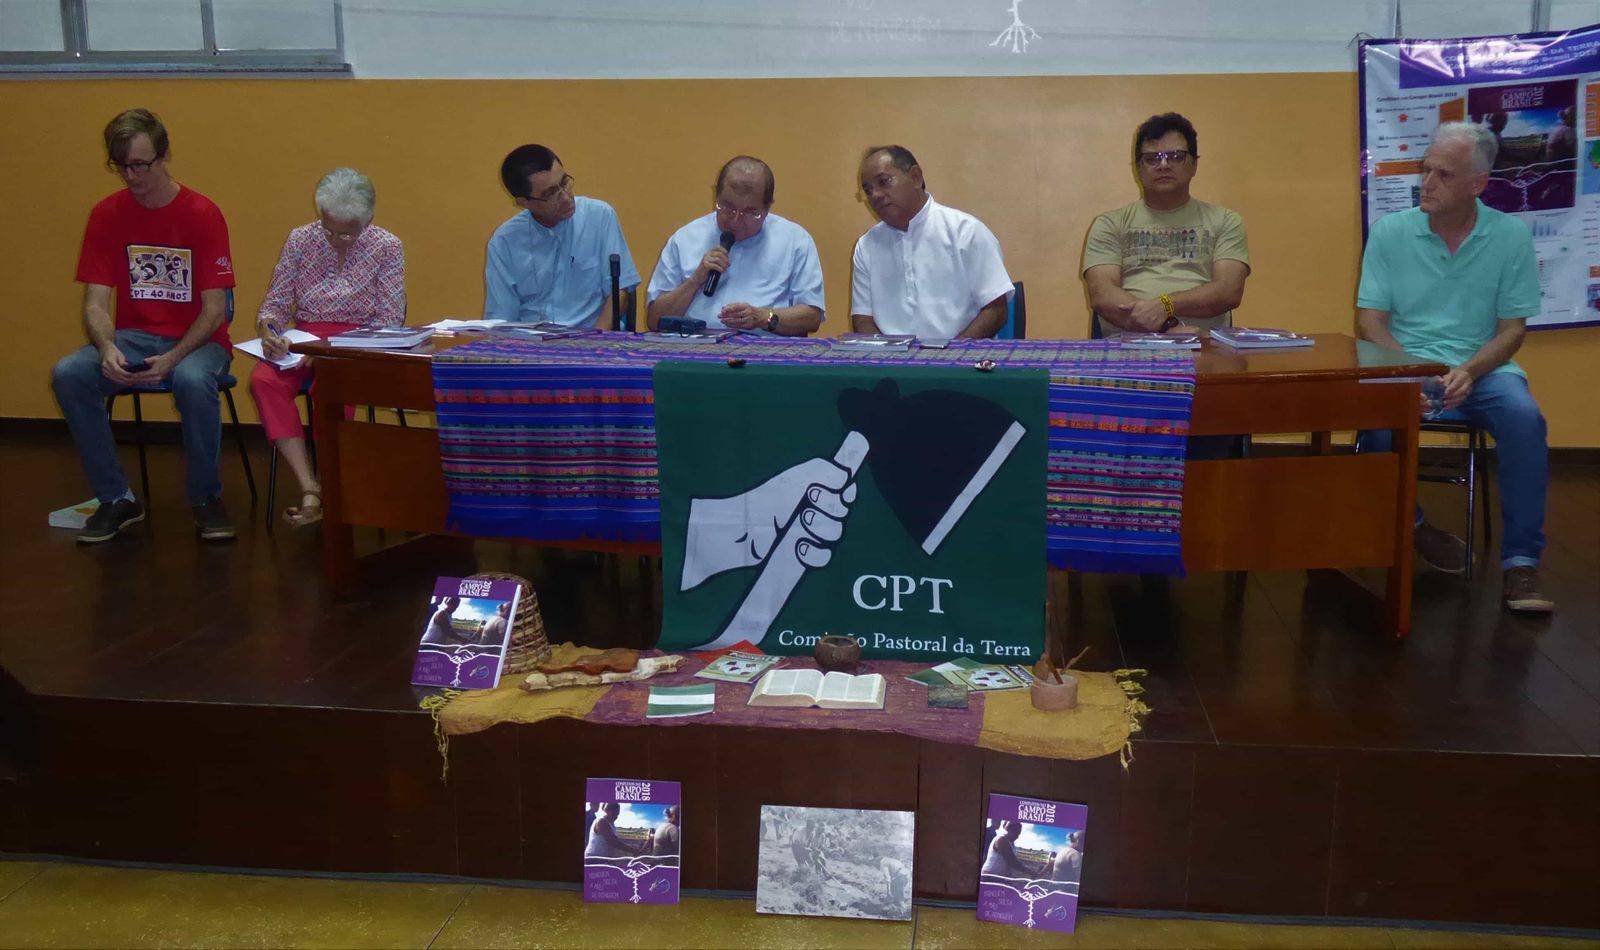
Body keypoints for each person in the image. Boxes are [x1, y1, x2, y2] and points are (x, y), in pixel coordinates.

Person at [1355, 121, 1553, 612]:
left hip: (1483, 370)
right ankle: (1416, 527)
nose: (1427, 182)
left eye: (1443, 174)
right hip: (1405, 365)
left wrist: (1469, 371)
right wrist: (1413, 371)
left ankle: (1522, 564)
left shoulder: (1509, 238)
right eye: (1426, 170)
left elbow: (1512, 330)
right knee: (1376, 427)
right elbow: (1369, 322)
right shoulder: (1390, 232)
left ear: (1477, 184)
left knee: (1525, 421)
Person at [51, 108, 238, 544]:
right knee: (69, 373)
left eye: (140, 164)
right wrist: (105, 347)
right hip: (134, 338)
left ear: (165, 154)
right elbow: (96, 304)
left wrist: (173, 357)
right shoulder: (106, 214)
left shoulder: (202, 213)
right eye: (121, 166)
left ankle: (206, 499)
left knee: (192, 380)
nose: (131, 176)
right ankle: (116, 499)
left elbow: (214, 311)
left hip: (199, 340)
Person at [249, 168, 405, 527]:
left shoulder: (387, 247)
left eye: (347, 232)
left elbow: (389, 321)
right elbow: (274, 305)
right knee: (263, 381)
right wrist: (271, 332)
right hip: (300, 338)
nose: (336, 238)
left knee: (330, 388)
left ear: (368, 221)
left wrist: (326, 349)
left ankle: (336, 483)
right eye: (328, 228)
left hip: (353, 345)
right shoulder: (300, 239)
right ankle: (310, 487)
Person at [1083, 112, 1250, 336]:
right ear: (1138, 168)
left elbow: (1228, 291)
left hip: (1204, 348)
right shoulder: (1110, 224)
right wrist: (1168, 327)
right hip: (1126, 349)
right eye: (1152, 159)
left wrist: (1166, 304)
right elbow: (1102, 294)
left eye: (1175, 157)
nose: (1163, 165)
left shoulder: (1225, 221)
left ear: (1194, 165)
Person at [647, 156, 824, 335]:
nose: (736, 220)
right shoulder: (685, 239)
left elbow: (812, 317)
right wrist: (694, 281)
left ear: (768, 207)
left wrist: (763, 317)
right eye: (727, 207)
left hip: (766, 352)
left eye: (750, 212)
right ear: (716, 195)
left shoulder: (796, 241)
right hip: (694, 347)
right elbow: (654, 320)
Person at [851, 145, 1013, 340]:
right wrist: (891, 358)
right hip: (893, 364)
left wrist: (950, 356)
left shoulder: (965, 232)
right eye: (868, 191)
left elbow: (996, 310)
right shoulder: (867, 245)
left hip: (961, 359)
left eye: (884, 182)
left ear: (916, 177)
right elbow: (863, 320)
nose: (875, 195)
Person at [484, 144, 638, 328]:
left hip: (590, 339)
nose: (566, 197)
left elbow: (619, 292)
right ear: (523, 202)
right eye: (551, 194)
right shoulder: (505, 241)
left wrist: (593, 343)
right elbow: (501, 319)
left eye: (565, 183)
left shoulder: (599, 217)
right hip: (531, 346)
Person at [585, 802, 649, 858]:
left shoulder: (611, 823)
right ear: (608, 811)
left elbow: (615, 840)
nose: (616, 817)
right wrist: (633, 850)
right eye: (614, 814)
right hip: (594, 857)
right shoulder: (602, 822)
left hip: (604, 857)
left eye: (617, 814)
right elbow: (613, 842)